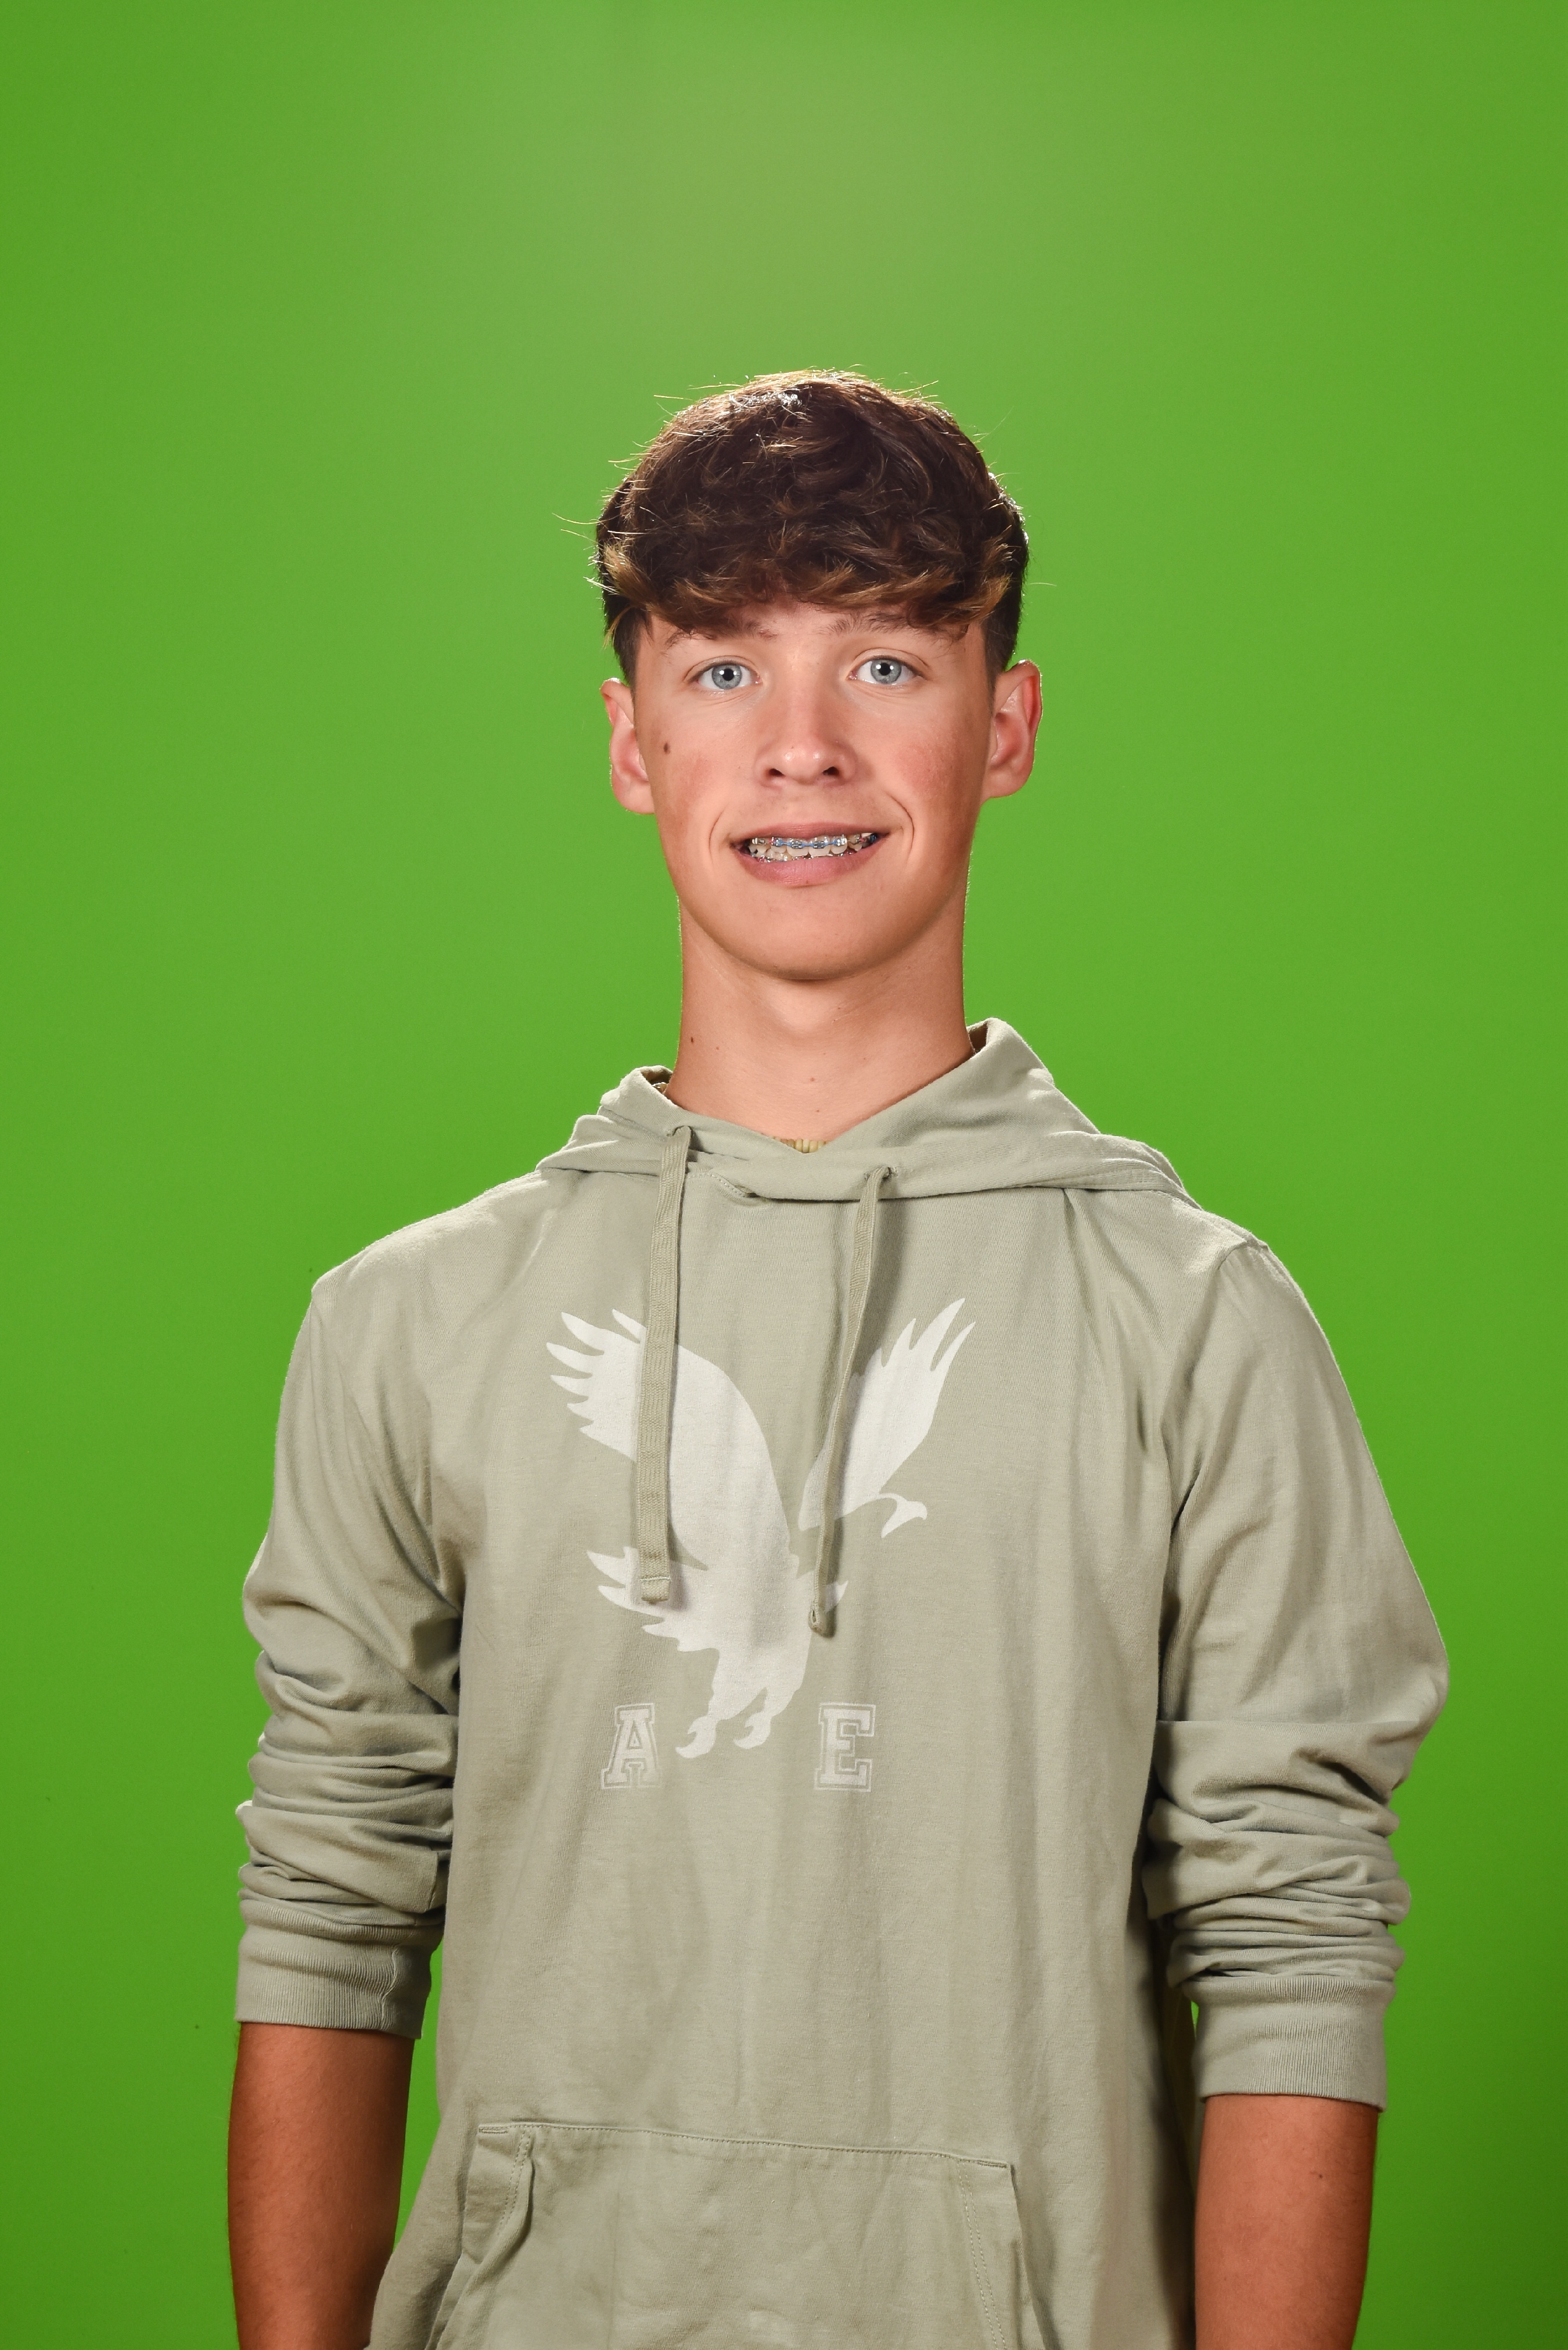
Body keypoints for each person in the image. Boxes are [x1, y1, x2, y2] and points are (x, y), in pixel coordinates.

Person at [228, 372, 1446, 2350]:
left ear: (1004, 726)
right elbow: (332, 1893)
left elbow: (1290, 1931)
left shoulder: (1194, 1320)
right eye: (721, 672)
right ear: (630, 741)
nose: (800, 747)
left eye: (884, 662)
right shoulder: (411, 1319)